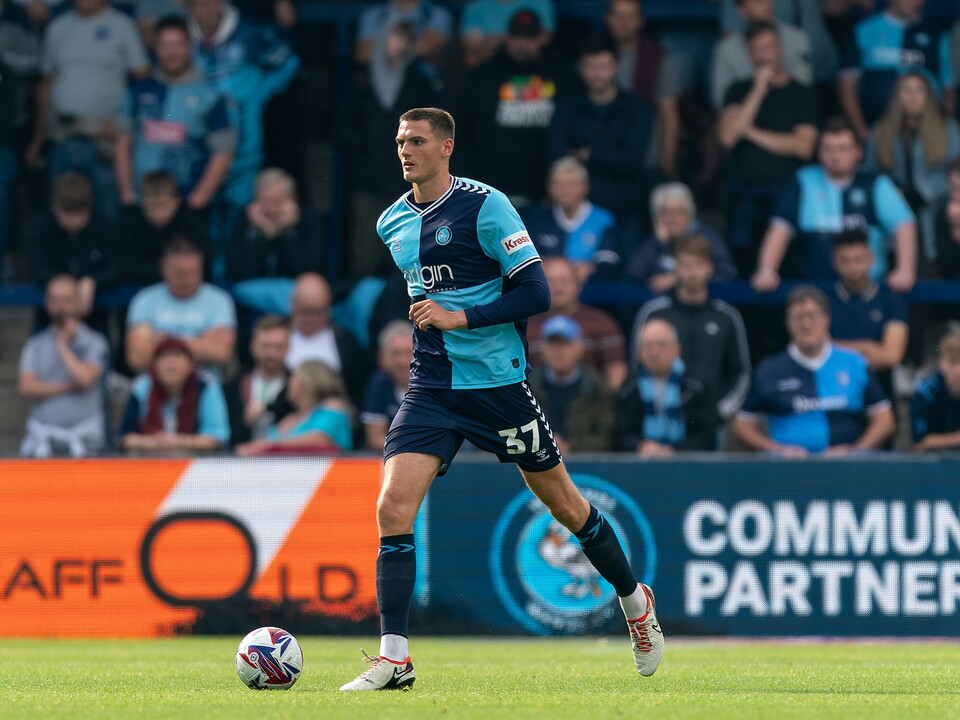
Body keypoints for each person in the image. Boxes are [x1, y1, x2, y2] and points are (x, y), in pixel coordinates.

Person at [339, 107, 663, 691]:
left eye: (417, 141)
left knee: (567, 507)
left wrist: (459, 317)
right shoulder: (391, 222)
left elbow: (536, 293)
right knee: (392, 508)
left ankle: (634, 600)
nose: (405, 151)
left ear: (446, 147)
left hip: (498, 387)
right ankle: (394, 659)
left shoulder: (487, 206)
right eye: (400, 141)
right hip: (432, 387)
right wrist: (441, 324)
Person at [752, 117, 918, 291]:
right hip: (814, 291)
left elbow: (904, 224)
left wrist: (905, 270)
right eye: (829, 149)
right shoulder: (804, 180)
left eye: (843, 148)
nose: (836, 156)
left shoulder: (875, 183)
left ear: (858, 151)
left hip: (867, 290)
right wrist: (766, 270)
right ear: (819, 152)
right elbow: (780, 227)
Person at [732, 285, 895, 455]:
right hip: (788, 467)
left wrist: (855, 452)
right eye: (798, 317)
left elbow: (884, 420)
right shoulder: (770, 370)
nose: (806, 324)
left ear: (827, 319)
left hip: (849, 466)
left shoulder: (855, 363)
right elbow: (742, 426)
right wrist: (776, 450)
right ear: (787, 322)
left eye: (813, 315)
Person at [26, 0, 151, 222]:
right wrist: (38, 138)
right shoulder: (58, 27)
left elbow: (142, 80)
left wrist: (127, 127)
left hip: (104, 137)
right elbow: (45, 84)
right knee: (63, 211)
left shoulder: (122, 25)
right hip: (63, 134)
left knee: (107, 212)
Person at [186, 0, 300, 236]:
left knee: (240, 221)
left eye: (210, 3)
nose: (206, 9)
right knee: (200, 222)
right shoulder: (182, 38)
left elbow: (289, 63)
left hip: (244, 151)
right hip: (199, 153)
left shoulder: (249, 31)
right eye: (198, 4)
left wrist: (258, 93)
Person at [345, 18, 446, 278]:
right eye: (395, 36)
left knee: (407, 254)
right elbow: (347, 127)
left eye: (406, 39)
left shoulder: (420, 81)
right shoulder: (361, 80)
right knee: (364, 254)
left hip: (408, 182)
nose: (399, 44)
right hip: (367, 177)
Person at [718, 20, 818, 274]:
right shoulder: (738, 90)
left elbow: (803, 147)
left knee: (786, 267)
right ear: (748, 53)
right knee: (742, 266)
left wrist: (751, 132)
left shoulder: (801, 93)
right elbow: (728, 137)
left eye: (768, 47)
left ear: (780, 48)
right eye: (756, 49)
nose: (763, 56)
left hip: (784, 195)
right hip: (743, 197)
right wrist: (758, 90)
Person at [631, 235, 751, 435]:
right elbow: (637, 365)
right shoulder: (654, 313)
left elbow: (741, 372)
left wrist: (720, 413)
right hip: (658, 419)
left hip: (711, 425)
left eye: (698, 265)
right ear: (675, 268)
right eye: (685, 265)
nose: (692, 273)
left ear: (710, 268)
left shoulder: (727, 317)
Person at [116, 16, 236, 211]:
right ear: (154, 47)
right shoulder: (137, 91)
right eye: (165, 44)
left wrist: (198, 199)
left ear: (190, 46)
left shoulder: (210, 95)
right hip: (142, 202)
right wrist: (127, 193)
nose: (171, 52)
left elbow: (224, 151)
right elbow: (123, 143)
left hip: (188, 202)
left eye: (178, 44)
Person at [456, 9, 570, 210]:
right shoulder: (482, 77)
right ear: (507, 38)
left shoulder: (562, 75)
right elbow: (463, 134)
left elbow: (570, 131)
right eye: (517, 37)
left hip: (546, 196)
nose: (522, 44)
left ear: (541, 39)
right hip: (490, 194)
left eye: (529, 37)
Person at [548, 35, 653, 221]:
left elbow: (632, 161)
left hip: (625, 208)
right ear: (581, 69)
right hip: (575, 209)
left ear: (616, 67)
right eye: (591, 67)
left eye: (604, 66)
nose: (597, 74)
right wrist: (610, 157)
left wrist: (589, 155)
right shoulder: (567, 107)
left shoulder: (637, 108)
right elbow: (557, 156)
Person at [864, 71, 960, 262]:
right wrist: (890, 190)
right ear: (896, 96)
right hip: (894, 212)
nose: (912, 97)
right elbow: (870, 174)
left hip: (935, 210)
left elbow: (957, 171)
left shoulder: (947, 128)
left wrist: (924, 192)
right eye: (906, 90)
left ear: (929, 95)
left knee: (932, 265)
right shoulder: (880, 130)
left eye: (919, 90)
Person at [839, 0, 955, 143]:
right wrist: (863, 134)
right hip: (876, 131)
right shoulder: (863, 30)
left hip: (925, 136)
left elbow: (949, 89)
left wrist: (942, 131)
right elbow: (848, 86)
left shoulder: (937, 34)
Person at [18, 275, 109, 457]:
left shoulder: (95, 342)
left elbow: (84, 379)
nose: (61, 307)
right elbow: (26, 387)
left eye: (67, 300)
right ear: (46, 303)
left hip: (86, 447)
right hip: (42, 446)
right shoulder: (35, 344)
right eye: (55, 300)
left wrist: (62, 345)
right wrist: (68, 386)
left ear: (79, 302)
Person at [125, 237, 237, 374]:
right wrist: (200, 341)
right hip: (152, 384)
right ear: (164, 269)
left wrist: (164, 343)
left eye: (192, 273)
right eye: (180, 273)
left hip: (203, 382)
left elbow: (221, 353)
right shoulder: (145, 299)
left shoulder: (219, 300)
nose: (187, 279)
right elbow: (137, 358)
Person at [602, 0, 684, 178]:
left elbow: (669, 116)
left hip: (648, 161)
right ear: (607, 18)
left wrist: (668, 166)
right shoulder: (593, 57)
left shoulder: (660, 59)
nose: (624, 23)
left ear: (641, 21)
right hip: (602, 162)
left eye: (631, 16)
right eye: (618, 15)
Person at [826, 230, 909, 402]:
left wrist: (836, 349)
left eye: (858, 259)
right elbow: (819, 351)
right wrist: (869, 348)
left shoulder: (891, 300)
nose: (852, 267)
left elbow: (892, 356)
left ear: (871, 258)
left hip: (883, 394)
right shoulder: (824, 301)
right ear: (834, 261)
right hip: (834, 395)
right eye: (845, 260)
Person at [615, 317, 715, 456]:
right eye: (647, 345)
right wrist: (641, 446)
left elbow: (707, 437)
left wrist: (673, 450)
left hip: (687, 463)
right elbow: (621, 435)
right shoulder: (628, 388)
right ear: (638, 351)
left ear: (677, 349)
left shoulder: (696, 387)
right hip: (642, 461)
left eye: (661, 345)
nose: (654, 352)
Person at [527, 256, 628, 392]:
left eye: (564, 281)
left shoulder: (601, 322)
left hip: (591, 401)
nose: (558, 287)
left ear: (578, 285)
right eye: (550, 281)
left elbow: (616, 372)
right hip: (535, 400)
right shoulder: (527, 325)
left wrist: (608, 401)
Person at [226, 168, 329, 299]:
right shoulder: (245, 219)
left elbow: (307, 271)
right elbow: (239, 273)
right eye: (264, 201)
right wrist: (265, 235)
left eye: (278, 201)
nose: (271, 209)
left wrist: (283, 232)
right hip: (253, 293)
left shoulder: (309, 219)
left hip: (296, 292)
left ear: (293, 200)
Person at [28, 171, 118, 318]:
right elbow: (36, 268)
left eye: (80, 214)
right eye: (68, 214)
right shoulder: (41, 226)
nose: (74, 221)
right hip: (49, 318)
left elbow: (115, 268)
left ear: (90, 207)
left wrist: (93, 280)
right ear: (55, 207)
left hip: (95, 316)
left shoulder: (103, 226)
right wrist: (61, 283)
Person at [119, 337, 229, 452]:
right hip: (150, 459)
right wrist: (152, 443)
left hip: (196, 460)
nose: (170, 362)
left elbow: (217, 438)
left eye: (177, 356)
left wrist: (179, 442)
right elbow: (124, 437)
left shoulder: (207, 386)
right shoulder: (142, 387)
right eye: (164, 356)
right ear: (154, 365)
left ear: (190, 364)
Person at [526, 315, 614, 453]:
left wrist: (570, 447)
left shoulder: (596, 387)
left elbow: (607, 438)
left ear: (580, 349)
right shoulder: (527, 388)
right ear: (543, 349)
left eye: (565, 343)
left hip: (585, 464)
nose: (558, 351)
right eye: (552, 344)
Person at [626, 182, 736, 291]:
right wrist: (658, 242)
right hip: (658, 301)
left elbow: (726, 272)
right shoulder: (654, 241)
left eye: (679, 212)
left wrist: (678, 279)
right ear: (656, 217)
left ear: (690, 214)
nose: (673, 219)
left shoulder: (706, 237)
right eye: (666, 212)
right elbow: (634, 273)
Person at [524, 156, 616, 280]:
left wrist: (582, 270)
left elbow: (608, 264)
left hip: (591, 287)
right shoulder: (538, 218)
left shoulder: (603, 219)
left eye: (571, 184)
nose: (565, 190)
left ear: (585, 187)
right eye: (558, 184)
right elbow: (527, 260)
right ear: (549, 187)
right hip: (548, 285)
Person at [711, 0, 813, 110]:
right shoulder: (727, 50)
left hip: (790, 114)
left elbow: (803, 91)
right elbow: (722, 101)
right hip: (744, 116)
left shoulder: (797, 39)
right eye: (757, 2)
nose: (767, 4)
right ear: (741, 10)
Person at [286, 272, 370, 408]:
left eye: (319, 312)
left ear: (329, 306)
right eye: (306, 311)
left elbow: (358, 390)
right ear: (292, 304)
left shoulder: (346, 341)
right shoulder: (277, 336)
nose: (312, 318)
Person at [235, 360, 353, 455]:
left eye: (294, 377)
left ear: (308, 381)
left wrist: (268, 446)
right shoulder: (289, 419)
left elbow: (320, 440)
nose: (289, 381)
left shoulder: (334, 407)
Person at [120, 170, 208, 287]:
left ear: (176, 202)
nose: (158, 213)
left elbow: (203, 264)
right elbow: (127, 267)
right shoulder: (132, 222)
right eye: (152, 206)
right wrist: (169, 272)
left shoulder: (190, 221)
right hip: (141, 286)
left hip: (185, 287)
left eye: (163, 206)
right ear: (142, 203)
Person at [224, 313, 290, 446]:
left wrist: (268, 408)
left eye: (278, 346)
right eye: (265, 346)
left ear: (288, 348)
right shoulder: (234, 385)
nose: (271, 353)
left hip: (287, 456)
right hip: (240, 456)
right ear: (252, 346)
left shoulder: (298, 386)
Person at [362, 320, 414, 452]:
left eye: (408, 353)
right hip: (391, 458)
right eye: (395, 353)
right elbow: (375, 439)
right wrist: (411, 452)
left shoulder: (433, 384)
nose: (402, 361)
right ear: (383, 358)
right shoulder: (379, 383)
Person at [354, 0, 453, 69]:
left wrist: (380, 46)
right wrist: (411, 46)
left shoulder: (438, 13)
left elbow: (426, 47)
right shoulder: (373, 14)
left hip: (423, 86)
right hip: (378, 85)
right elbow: (363, 54)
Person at [459, 0, 556, 68]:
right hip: (493, 70)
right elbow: (471, 57)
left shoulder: (540, 2)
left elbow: (546, 40)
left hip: (533, 70)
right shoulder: (476, 7)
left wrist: (500, 41)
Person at [911, 329, 960, 452]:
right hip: (934, 461)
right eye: (953, 362)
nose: (958, 371)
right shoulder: (925, 393)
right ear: (941, 363)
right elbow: (920, 444)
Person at [936, 158, 960, 278]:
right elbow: (947, 268)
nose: (957, 195)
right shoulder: (943, 215)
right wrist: (956, 230)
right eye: (954, 188)